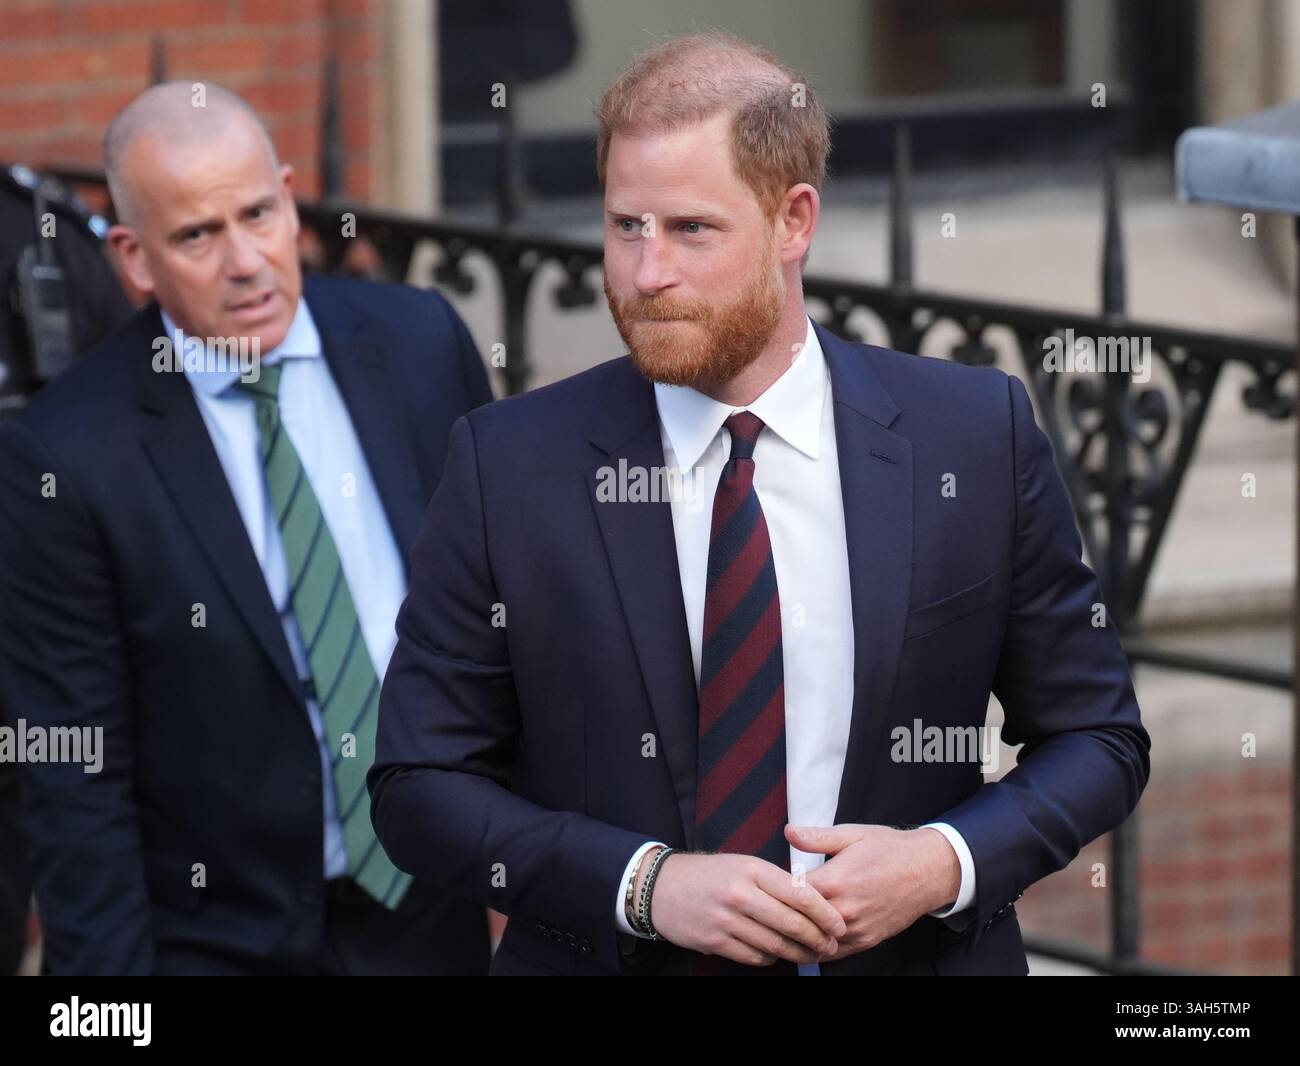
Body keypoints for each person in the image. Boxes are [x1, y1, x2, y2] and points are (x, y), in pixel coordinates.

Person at [369, 33, 1151, 976]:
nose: (646, 273)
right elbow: (419, 786)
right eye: (626, 226)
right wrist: (645, 886)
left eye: (691, 230)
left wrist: (939, 862)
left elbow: (1098, 738)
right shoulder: (508, 465)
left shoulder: (973, 437)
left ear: (793, 221)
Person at [0, 82, 494, 975]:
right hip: (218, 941)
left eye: (259, 214)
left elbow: (508, 616)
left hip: (435, 915)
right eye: (196, 235)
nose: (246, 261)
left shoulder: (419, 341)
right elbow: (77, 778)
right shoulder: (64, 455)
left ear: (291, 198)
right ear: (134, 259)